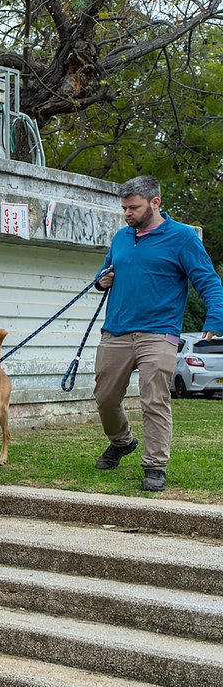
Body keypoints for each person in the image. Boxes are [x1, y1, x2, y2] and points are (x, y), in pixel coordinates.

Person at [92, 175, 223, 492]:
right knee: (105, 398)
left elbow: (208, 281)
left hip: (159, 333)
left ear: (155, 203)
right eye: (124, 208)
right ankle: (122, 441)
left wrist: (215, 319)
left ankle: (155, 467)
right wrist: (101, 280)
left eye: (133, 208)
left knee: (154, 400)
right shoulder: (122, 238)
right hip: (116, 332)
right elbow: (107, 271)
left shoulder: (182, 238)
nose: (127, 214)